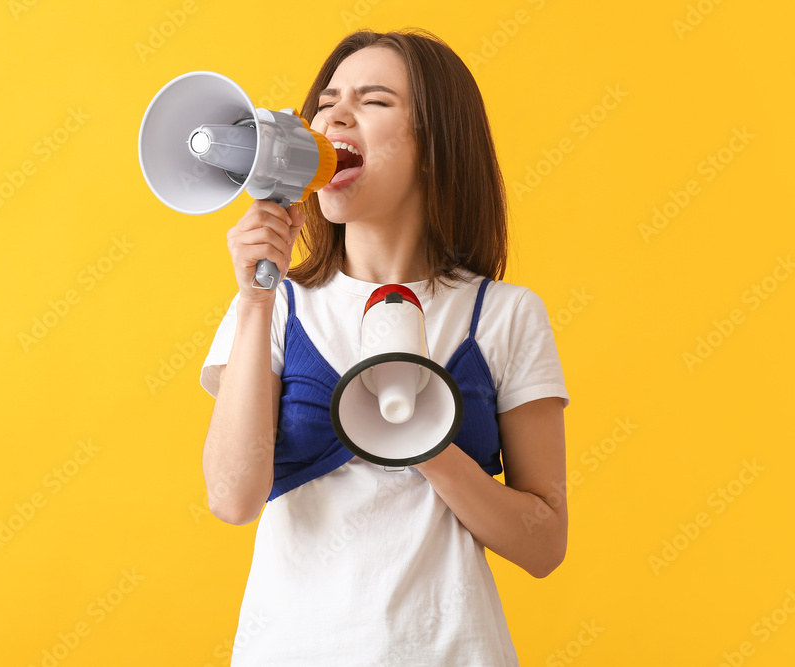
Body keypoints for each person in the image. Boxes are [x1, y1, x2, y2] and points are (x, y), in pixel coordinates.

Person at [199, 28, 569, 666]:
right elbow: (231, 499)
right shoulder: (276, 306)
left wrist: (425, 444)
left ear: (433, 147)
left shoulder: (505, 315)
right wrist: (256, 299)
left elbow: (544, 546)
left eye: (373, 101)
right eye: (327, 102)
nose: (336, 115)